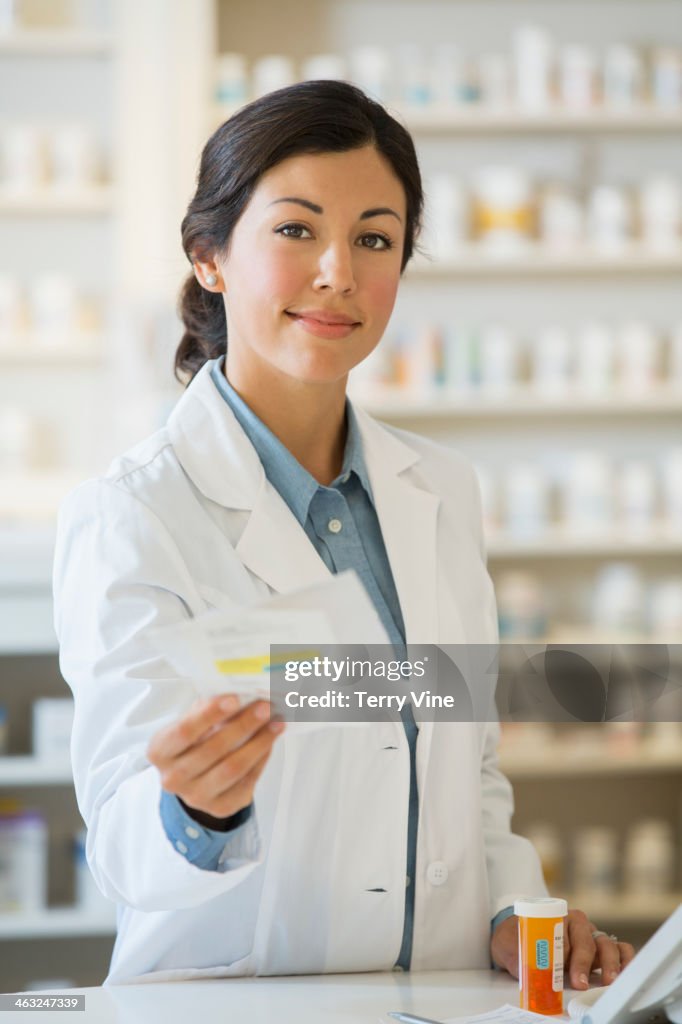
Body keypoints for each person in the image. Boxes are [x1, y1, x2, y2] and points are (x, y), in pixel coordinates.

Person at [53, 80, 634, 986]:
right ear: (210, 255)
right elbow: (123, 846)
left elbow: (468, 770)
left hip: (434, 1000)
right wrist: (194, 813)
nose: (339, 272)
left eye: (375, 238)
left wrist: (510, 914)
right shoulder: (132, 513)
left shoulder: (439, 487)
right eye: (295, 230)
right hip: (235, 1003)